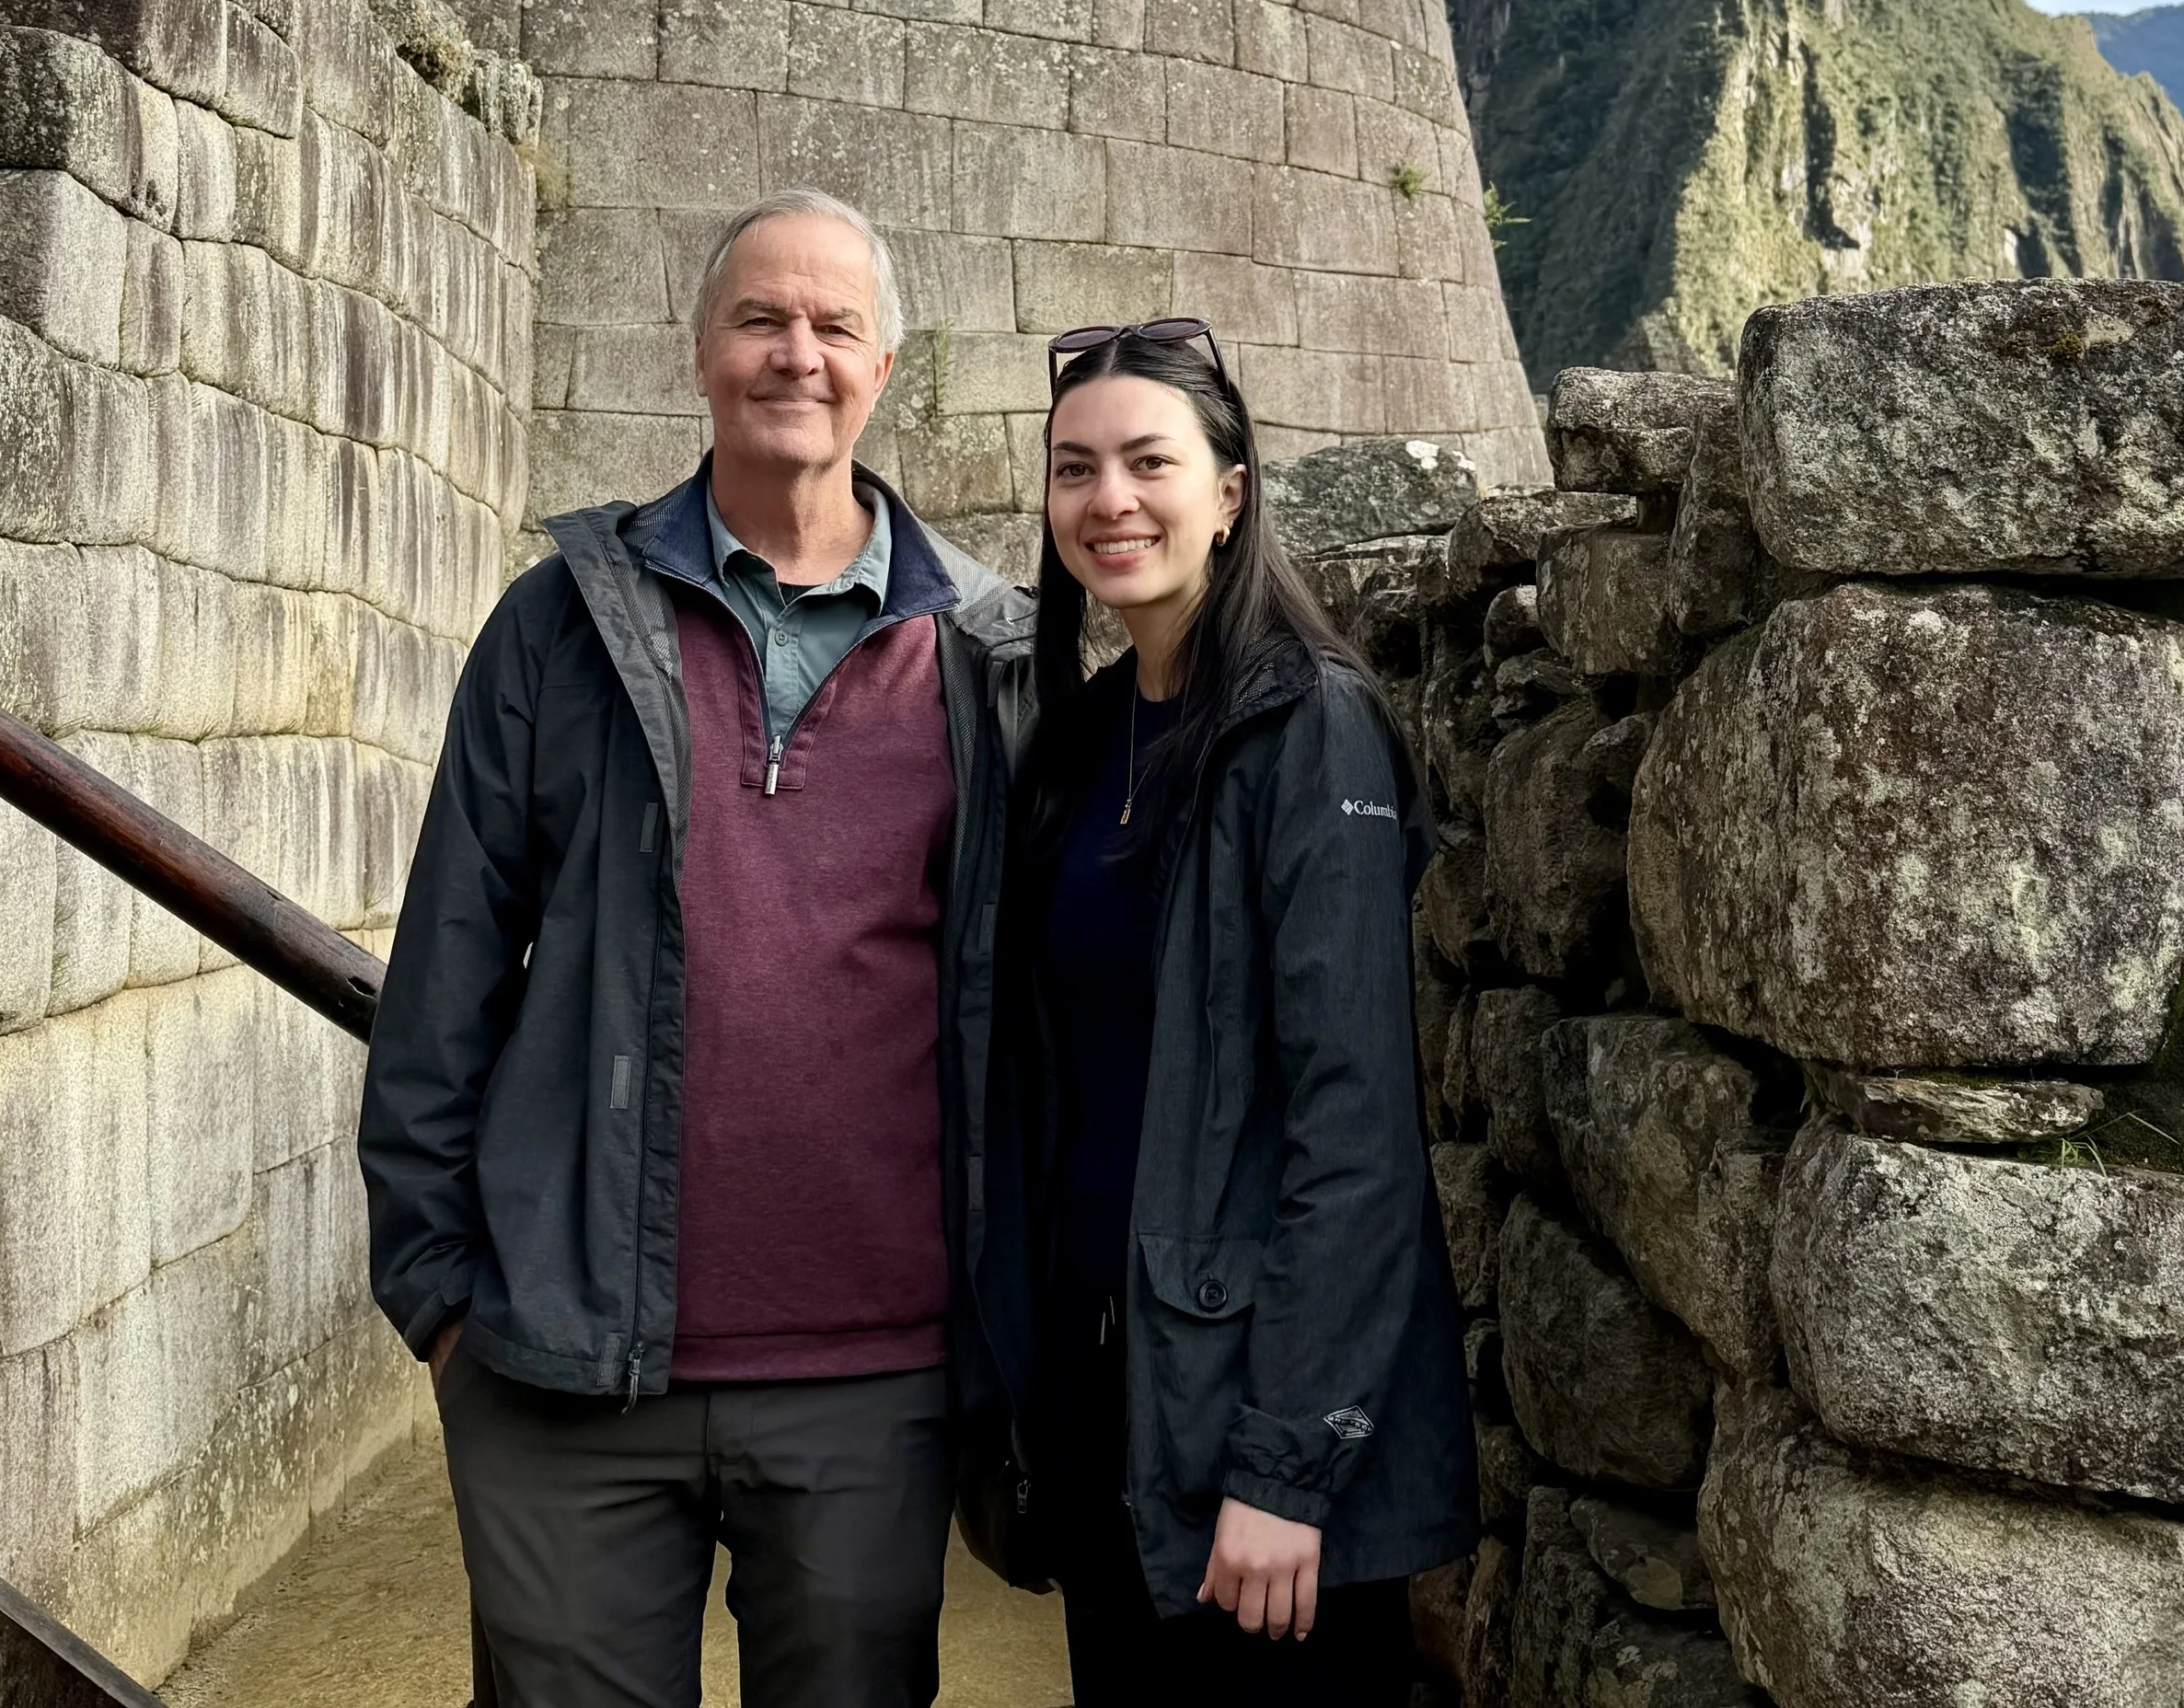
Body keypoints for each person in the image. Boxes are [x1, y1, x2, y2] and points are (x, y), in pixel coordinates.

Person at [357, 189, 1033, 1708]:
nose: (796, 353)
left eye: (834, 325)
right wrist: (442, 1298)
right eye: (760, 318)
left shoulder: (989, 662)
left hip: (871, 1376)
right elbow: (445, 976)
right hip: (564, 1371)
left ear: (883, 367)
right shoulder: (560, 630)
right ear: (700, 348)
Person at [983, 317, 1477, 1706]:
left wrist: (1285, 1469)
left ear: (1232, 490)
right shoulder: (1078, 745)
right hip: (1104, 1399)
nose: (1110, 502)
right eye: (1075, 470)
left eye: (1150, 462)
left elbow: (1358, 1127)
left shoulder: (1305, 729)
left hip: (1245, 1425)